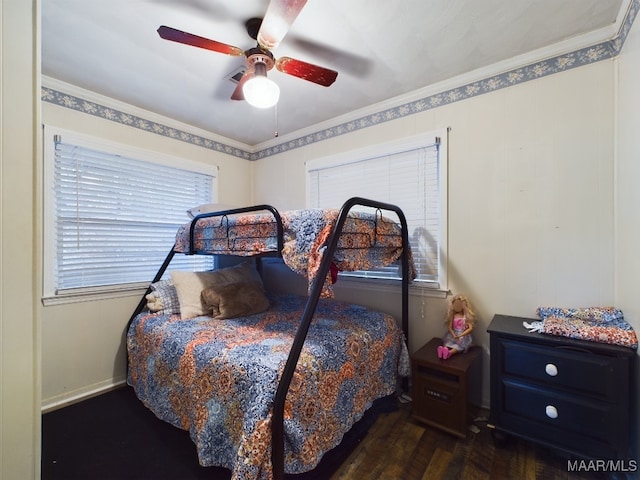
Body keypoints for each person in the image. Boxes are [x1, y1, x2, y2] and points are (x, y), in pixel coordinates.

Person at [438, 294, 475, 359]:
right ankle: (443, 351)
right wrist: (453, 334)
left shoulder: (466, 317)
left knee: (459, 345)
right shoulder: (453, 315)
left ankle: (450, 353)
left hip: (463, 335)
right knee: (448, 342)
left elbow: (470, 328)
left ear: (463, 305)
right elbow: (450, 327)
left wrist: (461, 335)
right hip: (453, 333)